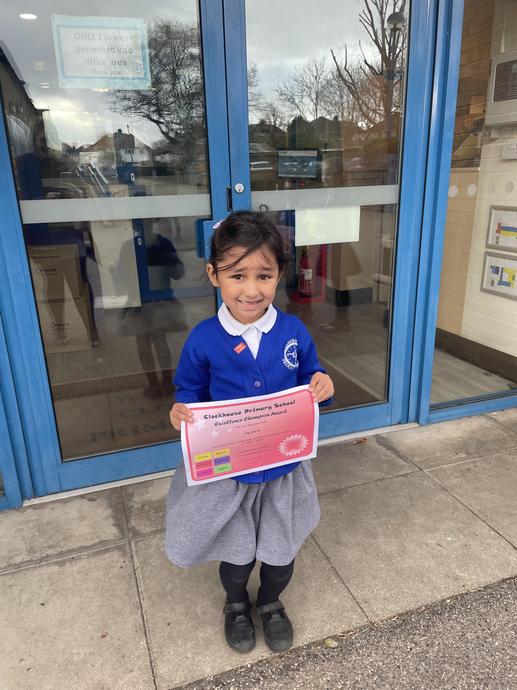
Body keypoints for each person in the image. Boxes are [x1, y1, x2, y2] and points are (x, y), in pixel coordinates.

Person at [165, 211, 334, 654]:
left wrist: (322, 385)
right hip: (230, 476)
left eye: (264, 275)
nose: (251, 289)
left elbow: (311, 377)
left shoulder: (292, 330)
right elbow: (189, 394)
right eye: (237, 275)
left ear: (280, 274)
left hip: (283, 471)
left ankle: (271, 602)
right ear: (213, 275)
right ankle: (237, 603)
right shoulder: (204, 339)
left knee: (281, 554)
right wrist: (182, 413)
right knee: (237, 557)